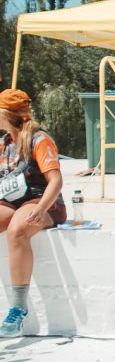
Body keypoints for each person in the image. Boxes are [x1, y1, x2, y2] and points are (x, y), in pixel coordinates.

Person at [0, 89, 67, 338]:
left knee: (17, 231)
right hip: (12, 199)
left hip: (43, 201)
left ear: (5, 114)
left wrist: (41, 208)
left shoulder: (39, 139)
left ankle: (18, 308)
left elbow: (55, 181)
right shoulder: (4, 142)